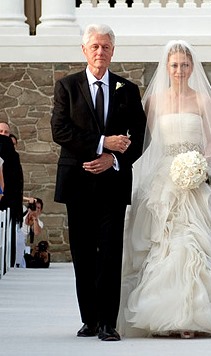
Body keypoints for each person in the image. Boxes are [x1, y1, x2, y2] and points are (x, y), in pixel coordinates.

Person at [118, 40, 211, 339]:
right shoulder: (153, 101)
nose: (179, 70)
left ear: (192, 67)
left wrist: (200, 165)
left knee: (197, 242)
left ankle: (197, 314)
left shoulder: (201, 100)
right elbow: (141, 139)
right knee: (164, 242)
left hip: (197, 175)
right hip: (163, 177)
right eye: (174, 65)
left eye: (184, 65)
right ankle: (164, 313)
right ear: (166, 67)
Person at [51, 24, 146, 342]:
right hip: (78, 180)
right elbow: (60, 131)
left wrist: (114, 159)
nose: (100, 52)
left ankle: (108, 322)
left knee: (109, 252)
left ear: (113, 51)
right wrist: (103, 143)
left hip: (112, 183)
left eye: (105, 46)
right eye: (94, 46)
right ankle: (88, 319)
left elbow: (139, 135)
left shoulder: (127, 89)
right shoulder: (66, 86)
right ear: (83, 50)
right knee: (82, 251)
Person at [0, 122, 24, 268]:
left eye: (6, 132)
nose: (2, 135)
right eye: (0, 131)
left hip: (9, 203)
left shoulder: (13, 156)